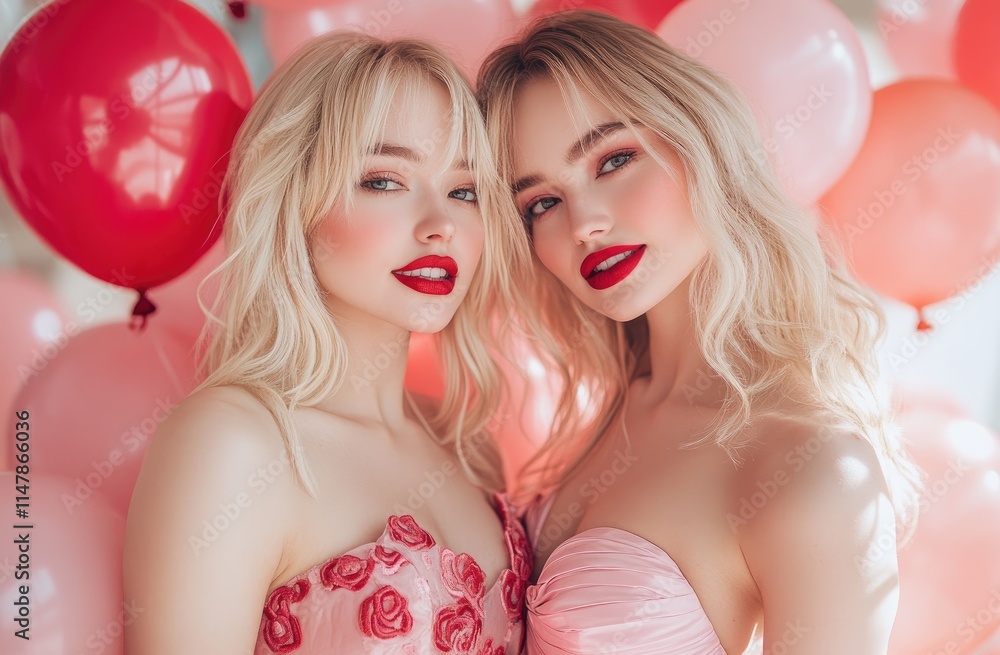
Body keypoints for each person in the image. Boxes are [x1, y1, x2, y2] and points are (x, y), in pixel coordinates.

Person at [477, 11, 921, 655]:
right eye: (541, 201)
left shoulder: (810, 464)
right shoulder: (616, 412)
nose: (584, 223)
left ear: (702, 142)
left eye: (614, 158)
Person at [124, 31, 534, 655]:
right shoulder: (233, 443)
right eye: (384, 181)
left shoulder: (469, 446)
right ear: (296, 201)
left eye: (463, 190)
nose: (440, 226)